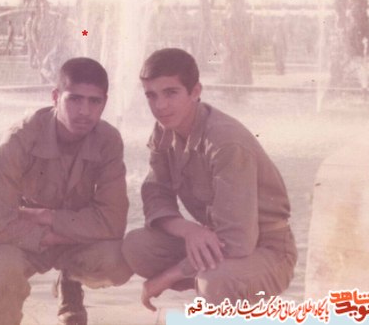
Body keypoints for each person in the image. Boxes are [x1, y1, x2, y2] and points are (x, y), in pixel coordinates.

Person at [122, 48, 297, 311]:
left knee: (214, 281)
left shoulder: (226, 142)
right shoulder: (164, 129)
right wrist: (189, 230)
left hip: (268, 249)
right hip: (217, 239)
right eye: (151, 95)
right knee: (137, 247)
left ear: (195, 91)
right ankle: (216, 296)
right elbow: (156, 194)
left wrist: (168, 276)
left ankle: (226, 297)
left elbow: (238, 240)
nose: (160, 106)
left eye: (170, 93)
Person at [0, 57, 132, 325]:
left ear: (105, 102)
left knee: (118, 261)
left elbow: (113, 223)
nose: (85, 111)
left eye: (94, 101)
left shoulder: (108, 140)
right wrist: (51, 235)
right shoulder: (20, 139)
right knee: (3, 272)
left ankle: (70, 281)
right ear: (55, 97)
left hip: (69, 239)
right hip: (24, 240)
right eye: (74, 99)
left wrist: (46, 216)